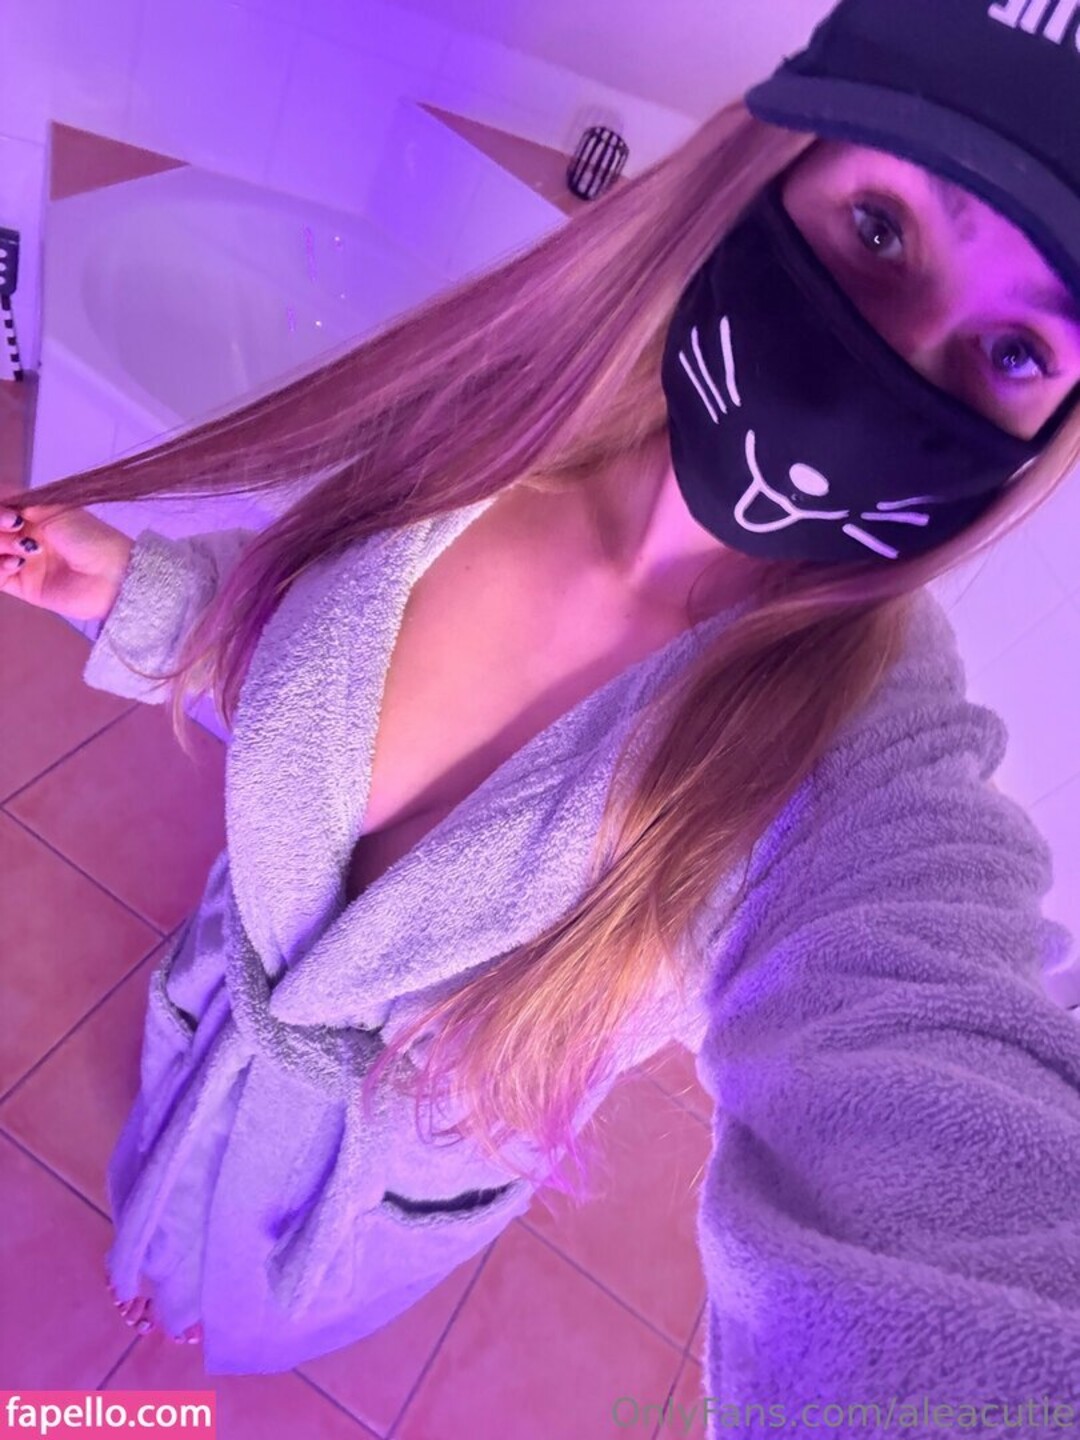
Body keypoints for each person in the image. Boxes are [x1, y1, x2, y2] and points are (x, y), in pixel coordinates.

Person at [3, 0, 1080, 1426]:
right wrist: (136, 597)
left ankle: (208, 1296)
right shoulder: (494, 421)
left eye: (1018, 352)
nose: (891, 369)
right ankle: (164, 1251)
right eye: (881, 229)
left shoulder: (857, 758)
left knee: (232, 1305)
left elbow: (944, 1092)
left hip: (356, 1192)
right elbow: (295, 661)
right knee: (163, 1217)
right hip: (221, 1027)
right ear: (763, 172)